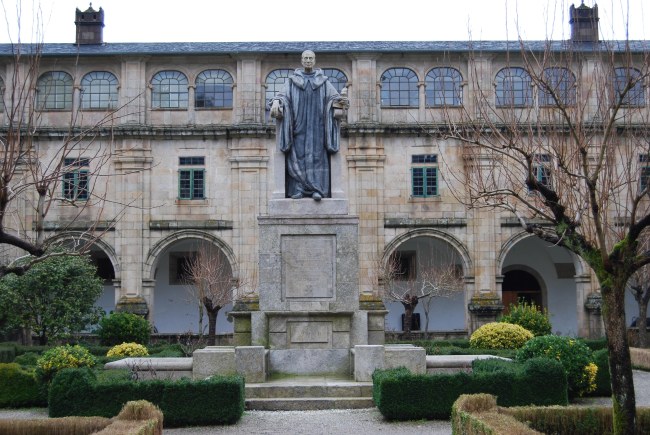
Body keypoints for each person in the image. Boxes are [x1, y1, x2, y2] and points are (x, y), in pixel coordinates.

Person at [270, 50, 349, 201]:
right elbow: (281, 96)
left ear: (314, 60)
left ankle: (317, 190)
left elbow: (334, 98)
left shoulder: (323, 81)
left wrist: (341, 101)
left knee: (318, 157)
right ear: (301, 60)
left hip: (318, 126)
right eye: (305, 58)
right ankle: (298, 189)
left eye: (310, 58)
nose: (308, 60)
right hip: (298, 126)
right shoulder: (292, 81)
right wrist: (275, 101)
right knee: (297, 156)